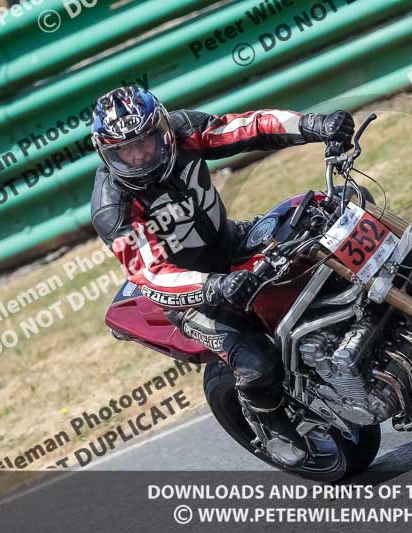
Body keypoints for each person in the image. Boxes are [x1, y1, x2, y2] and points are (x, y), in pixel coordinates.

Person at [90, 86, 356, 467]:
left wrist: (315, 125)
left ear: (161, 128)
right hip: (190, 293)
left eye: (145, 141)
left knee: (323, 218)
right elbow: (151, 273)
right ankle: (268, 421)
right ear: (106, 153)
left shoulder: (183, 131)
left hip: (231, 241)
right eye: (125, 151)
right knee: (258, 361)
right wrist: (214, 286)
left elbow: (249, 127)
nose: (139, 156)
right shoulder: (112, 208)